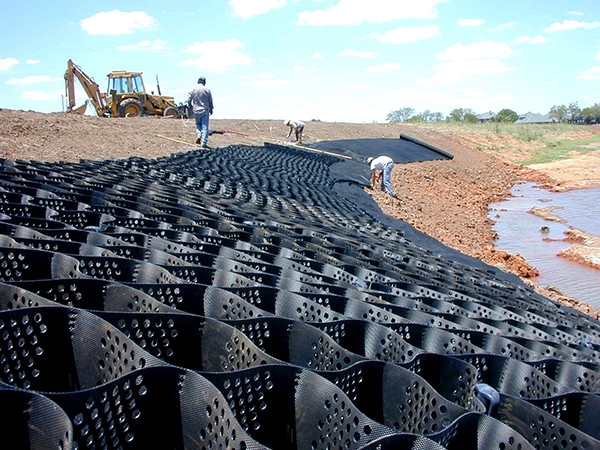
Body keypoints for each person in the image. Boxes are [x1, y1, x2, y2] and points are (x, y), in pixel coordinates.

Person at [188, 76, 214, 148]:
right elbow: (210, 101)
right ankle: (203, 142)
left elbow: (188, 99)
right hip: (204, 110)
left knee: (198, 124)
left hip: (196, 110)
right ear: (204, 82)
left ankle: (198, 135)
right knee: (204, 126)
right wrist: (211, 109)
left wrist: (190, 106)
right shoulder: (207, 90)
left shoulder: (193, 89)